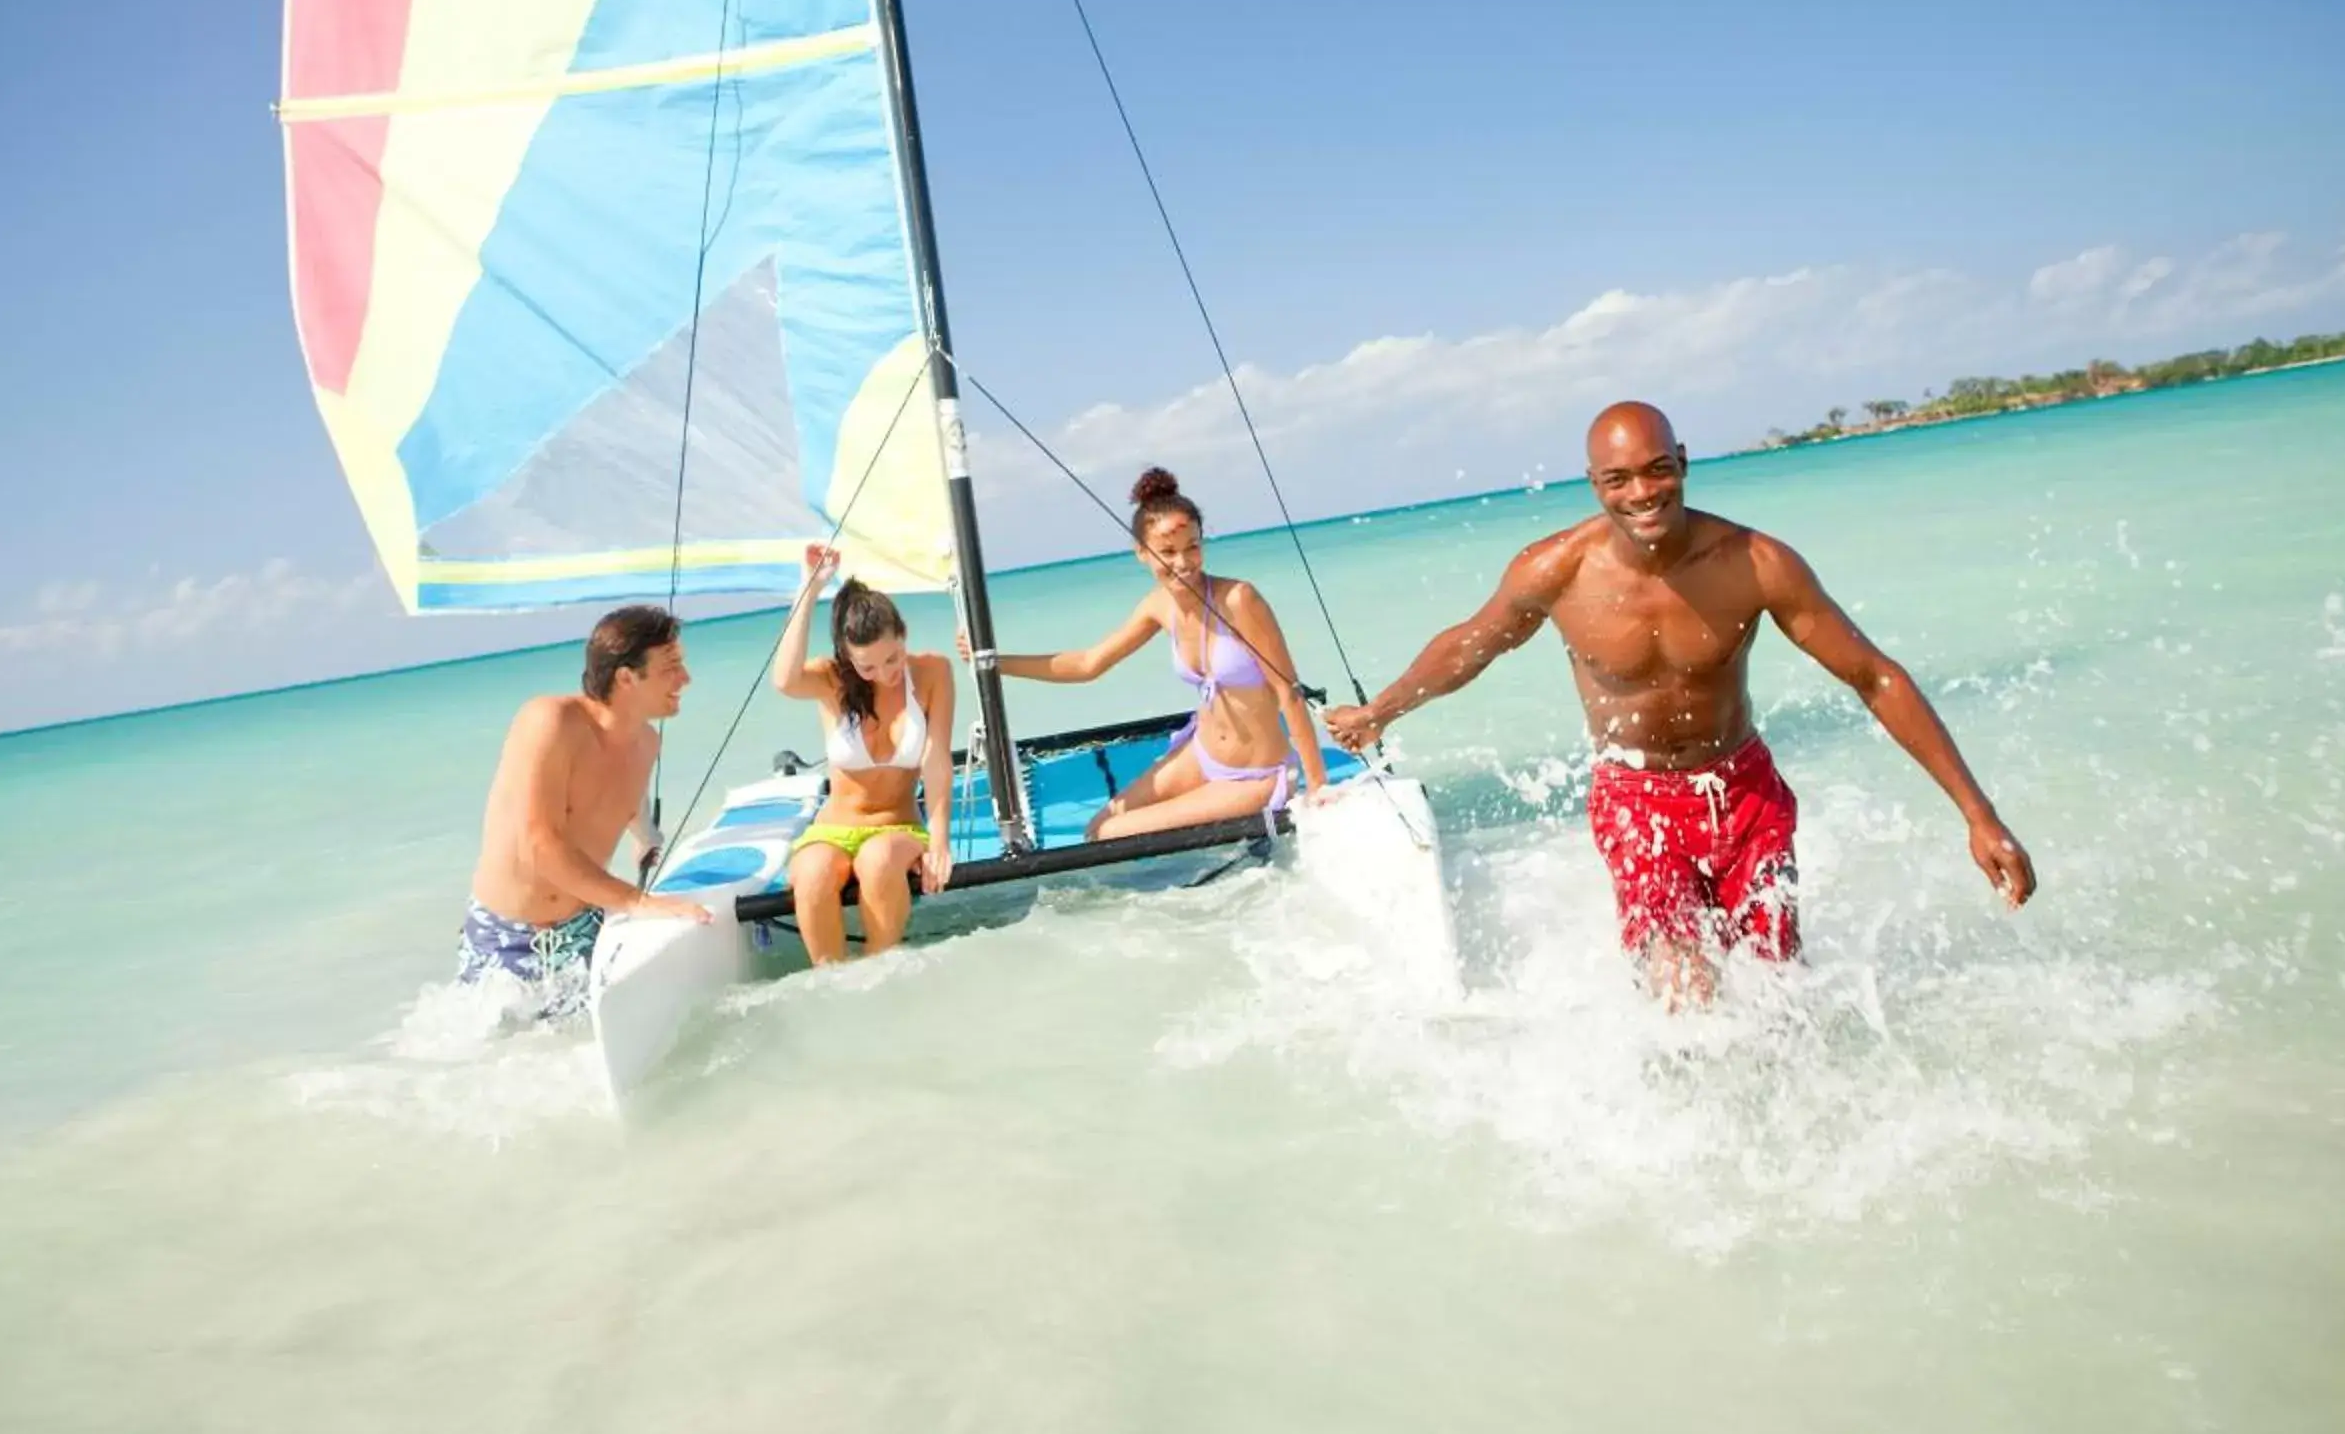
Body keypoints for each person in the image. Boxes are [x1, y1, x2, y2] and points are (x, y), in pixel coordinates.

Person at [1326, 402, 2034, 1004]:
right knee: (1685, 991)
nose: (1643, 492)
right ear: (1594, 484)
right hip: (1637, 802)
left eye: (1658, 468)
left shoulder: (1756, 564)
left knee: (1776, 992)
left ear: (1684, 462)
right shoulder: (1556, 570)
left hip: (1745, 796)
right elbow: (1468, 647)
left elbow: (1875, 677)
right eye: (1619, 478)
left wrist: (1980, 816)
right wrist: (1380, 711)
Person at [972, 467, 1332, 840]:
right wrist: (994, 662)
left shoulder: (1240, 599)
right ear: (1142, 553)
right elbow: (1088, 664)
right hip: (1201, 752)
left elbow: (1287, 690)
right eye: (1168, 552)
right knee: (1095, 829)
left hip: (1254, 774)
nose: (1183, 562)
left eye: (1193, 546)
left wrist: (1317, 784)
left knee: (1112, 833)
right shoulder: (1158, 606)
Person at [458, 604, 714, 1013]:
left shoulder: (648, 744)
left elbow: (616, 791)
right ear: (627, 677)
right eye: (672, 667)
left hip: (582, 930)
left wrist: (645, 831)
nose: (686, 679)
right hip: (503, 937)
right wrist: (637, 902)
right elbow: (539, 845)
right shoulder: (551, 720)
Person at [773, 545, 957, 966]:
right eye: (868, 667)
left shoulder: (932, 673)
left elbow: (936, 757)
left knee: (876, 861)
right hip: (831, 829)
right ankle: (830, 986)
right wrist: (810, 587)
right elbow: (784, 680)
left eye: (892, 659)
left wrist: (941, 838)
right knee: (815, 873)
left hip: (897, 828)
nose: (885, 674)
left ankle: (881, 971)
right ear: (847, 657)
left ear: (903, 634)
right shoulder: (832, 680)